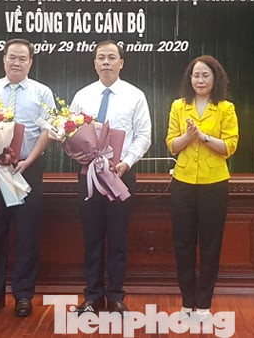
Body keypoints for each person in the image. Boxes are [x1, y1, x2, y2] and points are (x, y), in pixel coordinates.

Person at [0, 39, 56, 318]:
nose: (16, 62)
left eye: (22, 58)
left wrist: (28, 160)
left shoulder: (42, 92)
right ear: (4, 59)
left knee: (26, 235)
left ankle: (23, 296)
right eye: (12, 57)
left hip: (26, 169)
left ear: (30, 62)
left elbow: (48, 130)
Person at [69, 40, 152, 314]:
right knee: (91, 238)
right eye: (101, 57)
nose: (106, 62)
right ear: (94, 63)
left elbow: (144, 136)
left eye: (111, 57)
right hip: (89, 176)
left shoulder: (135, 95)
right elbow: (68, 133)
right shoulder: (82, 96)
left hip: (120, 175)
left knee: (118, 238)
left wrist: (126, 163)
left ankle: (116, 296)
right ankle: (92, 296)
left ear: (121, 63)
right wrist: (76, 154)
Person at [165, 55, 239, 322]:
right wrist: (188, 136)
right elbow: (171, 145)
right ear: (190, 79)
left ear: (215, 79)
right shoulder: (178, 106)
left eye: (205, 75)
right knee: (183, 243)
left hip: (214, 183)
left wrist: (204, 137)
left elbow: (230, 147)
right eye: (196, 75)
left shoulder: (226, 108)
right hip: (183, 183)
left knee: (210, 244)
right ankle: (187, 301)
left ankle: (204, 304)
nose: (200, 80)